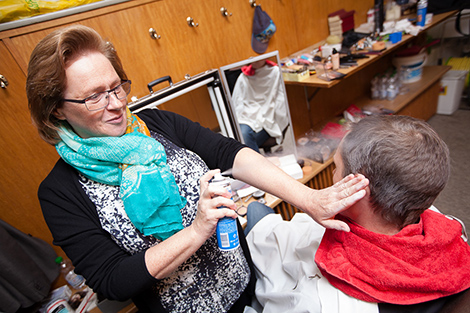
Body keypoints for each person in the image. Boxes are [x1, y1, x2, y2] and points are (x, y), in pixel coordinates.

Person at [26, 25, 368, 313]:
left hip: (247, 280)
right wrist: (196, 231)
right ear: (56, 109)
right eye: (94, 97)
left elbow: (228, 152)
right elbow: (113, 279)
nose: (116, 104)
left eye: (116, 87)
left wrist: (309, 198)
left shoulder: (155, 124)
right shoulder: (60, 192)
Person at [245, 115, 470, 313]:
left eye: (336, 167)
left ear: (358, 192)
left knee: (255, 209)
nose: (333, 174)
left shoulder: (322, 301)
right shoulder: (441, 220)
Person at [231, 59, 289, 153]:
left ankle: (258, 164)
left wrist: (271, 116)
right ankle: (260, 164)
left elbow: (281, 100)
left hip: (269, 116)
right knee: (243, 135)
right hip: (248, 116)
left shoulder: (275, 72)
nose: (255, 61)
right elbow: (237, 102)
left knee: (245, 143)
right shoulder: (243, 76)